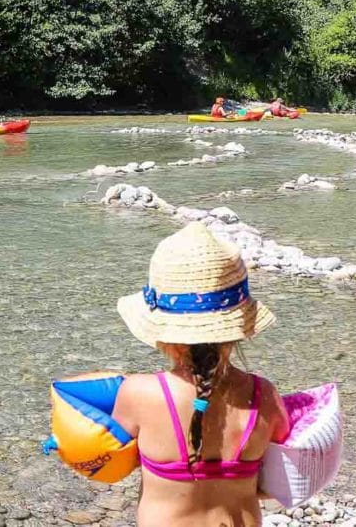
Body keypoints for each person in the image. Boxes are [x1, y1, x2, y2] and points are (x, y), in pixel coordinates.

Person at [111, 222, 290, 527]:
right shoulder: (265, 396)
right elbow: (276, 477)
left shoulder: (139, 394)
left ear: (165, 335)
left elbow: (111, 458)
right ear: (236, 330)